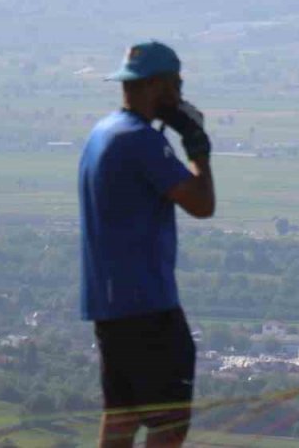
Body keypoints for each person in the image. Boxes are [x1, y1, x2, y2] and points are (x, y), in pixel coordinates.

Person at [79, 40, 215, 447]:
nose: (180, 94)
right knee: (168, 424)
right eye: (176, 83)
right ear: (158, 84)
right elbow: (202, 204)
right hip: (148, 306)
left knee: (121, 419)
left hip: (110, 305)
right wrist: (197, 146)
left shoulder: (102, 133)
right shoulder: (141, 141)